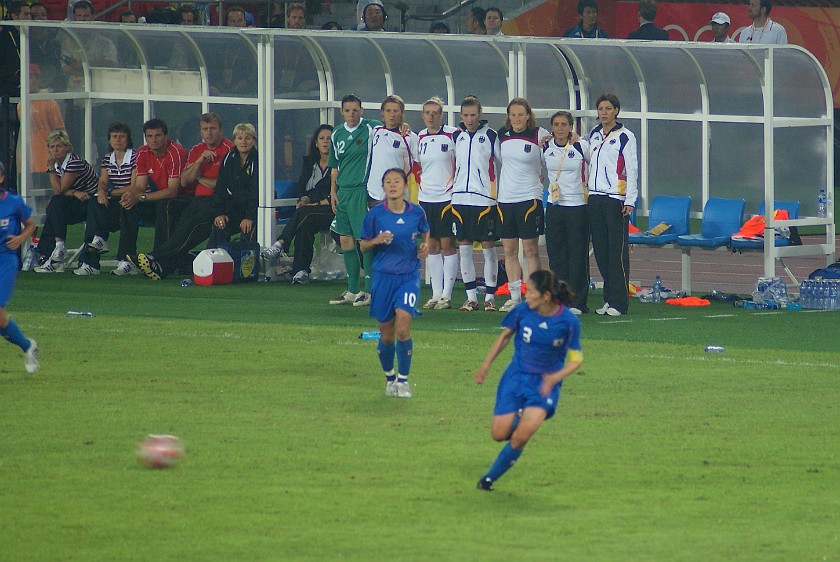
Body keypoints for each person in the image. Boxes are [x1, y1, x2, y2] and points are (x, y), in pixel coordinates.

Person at [474, 270, 582, 491]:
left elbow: (576, 359)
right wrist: (486, 365)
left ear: (545, 297)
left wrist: (556, 377)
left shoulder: (568, 321)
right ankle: (517, 418)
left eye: (530, 291)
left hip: (544, 387)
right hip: (515, 378)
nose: (526, 295)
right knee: (498, 434)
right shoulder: (522, 311)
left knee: (522, 437)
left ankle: (488, 480)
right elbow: (504, 336)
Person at [134, 114, 233, 280]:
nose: (209, 133)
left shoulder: (229, 150)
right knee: (173, 215)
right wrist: (200, 161)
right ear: (201, 132)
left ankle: (154, 257)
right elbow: (186, 181)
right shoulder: (197, 150)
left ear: (221, 131)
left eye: (212, 129)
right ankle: (160, 264)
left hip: (218, 202)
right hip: (198, 199)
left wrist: (200, 178)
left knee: (192, 226)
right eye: (205, 129)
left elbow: (221, 185)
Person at [359, 168, 430, 399]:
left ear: (405, 186)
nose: (393, 185)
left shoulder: (416, 212)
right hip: (382, 277)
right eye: (388, 181)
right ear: (383, 187)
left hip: (408, 277)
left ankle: (403, 381)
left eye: (397, 181)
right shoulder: (375, 215)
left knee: (403, 326)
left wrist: (425, 247)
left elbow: (426, 233)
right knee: (386, 334)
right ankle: (390, 378)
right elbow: (363, 245)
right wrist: (377, 240)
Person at [327, 94, 383, 306]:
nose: (351, 114)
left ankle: (369, 291)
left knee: (365, 242)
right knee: (345, 240)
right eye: (347, 110)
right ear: (341, 111)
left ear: (362, 110)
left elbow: (390, 127)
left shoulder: (371, 128)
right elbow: (334, 166)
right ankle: (352, 290)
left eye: (355, 110)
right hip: (344, 191)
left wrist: (404, 126)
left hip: (361, 191)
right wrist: (333, 191)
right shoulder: (337, 134)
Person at [262, 124, 335, 284]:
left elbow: (333, 193)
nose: (325, 142)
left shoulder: (339, 165)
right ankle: (301, 272)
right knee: (304, 224)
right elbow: (303, 188)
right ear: (316, 143)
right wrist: (303, 200)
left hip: (332, 209)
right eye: (321, 139)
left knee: (305, 214)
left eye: (329, 139)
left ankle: (281, 243)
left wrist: (312, 204)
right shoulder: (310, 163)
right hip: (310, 211)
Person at [496, 98, 550, 313]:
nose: (517, 118)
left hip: (529, 198)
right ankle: (514, 296)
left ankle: (532, 295)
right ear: (508, 116)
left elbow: (554, 157)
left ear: (529, 115)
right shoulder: (501, 135)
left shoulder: (540, 134)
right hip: (506, 200)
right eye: (513, 114)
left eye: (521, 114)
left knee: (530, 250)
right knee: (509, 251)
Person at [587, 93, 637, 317]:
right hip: (595, 197)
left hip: (615, 198)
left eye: (608, 109)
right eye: (601, 109)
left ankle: (619, 301)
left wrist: (630, 200)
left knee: (616, 252)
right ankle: (608, 299)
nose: (604, 113)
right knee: (600, 251)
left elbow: (632, 169)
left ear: (616, 110)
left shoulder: (626, 136)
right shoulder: (594, 134)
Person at [117, 118, 188, 275]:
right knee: (128, 206)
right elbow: (140, 186)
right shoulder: (142, 152)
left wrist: (141, 197)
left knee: (165, 205)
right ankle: (126, 259)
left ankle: (157, 259)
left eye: (158, 135)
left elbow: (173, 191)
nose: (153, 140)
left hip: (182, 200)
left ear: (166, 136)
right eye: (149, 136)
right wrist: (131, 195)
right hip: (158, 197)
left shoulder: (176, 152)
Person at [451, 95, 500, 312]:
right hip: (460, 199)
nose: (469, 119)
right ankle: (471, 297)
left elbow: (504, 162)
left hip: (484, 199)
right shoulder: (455, 136)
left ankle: (490, 297)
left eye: (473, 115)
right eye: (465, 115)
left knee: (489, 249)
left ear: (479, 114)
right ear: (461, 115)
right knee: (464, 249)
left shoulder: (490, 135)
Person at [73, 122, 137, 275]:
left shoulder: (135, 156)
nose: (118, 140)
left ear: (128, 139)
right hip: (115, 198)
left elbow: (134, 187)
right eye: (114, 137)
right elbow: (102, 181)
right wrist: (101, 191)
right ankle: (92, 261)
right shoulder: (108, 159)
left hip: (133, 199)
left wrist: (110, 191)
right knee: (94, 203)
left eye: (121, 136)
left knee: (118, 209)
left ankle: (125, 260)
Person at [543, 111, 590, 314]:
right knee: (556, 255)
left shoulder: (581, 146)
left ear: (571, 127)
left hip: (577, 206)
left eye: (564, 124)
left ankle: (578, 301)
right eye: (556, 124)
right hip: (555, 206)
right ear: (552, 127)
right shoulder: (545, 146)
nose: (560, 128)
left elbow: (595, 165)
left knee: (577, 254)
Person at [33, 129, 98, 273]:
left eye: (59, 146)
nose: (55, 150)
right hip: (76, 201)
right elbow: (62, 191)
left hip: (92, 204)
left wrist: (50, 169)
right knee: (54, 208)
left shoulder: (73, 162)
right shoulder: (59, 165)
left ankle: (53, 252)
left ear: (67, 147)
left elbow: (59, 190)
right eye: (52, 147)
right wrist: (74, 193)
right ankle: (53, 255)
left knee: (55, 204)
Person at [416, 97, 458, 311]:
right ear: (422, 115)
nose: (431, 116)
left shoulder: (452, 134)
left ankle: (447, 295)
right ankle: (435, 294)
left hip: (447, 198)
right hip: (426, 198)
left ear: (441, 115)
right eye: (427, 113)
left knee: (447, 245)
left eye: (435, 113)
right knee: (431, 246)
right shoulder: (419, 137)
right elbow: (416, 166)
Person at [0, 160, 39, 374]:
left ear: (1, 177)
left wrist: (21, 239)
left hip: (5, 259)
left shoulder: (13, 202)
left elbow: (31, 224)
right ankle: (28, 346)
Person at [207, 123, 258, 248]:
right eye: (240, 138)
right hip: (235, 209)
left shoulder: (258, 160)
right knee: (220, 225)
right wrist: (219, 213)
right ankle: (212, 261)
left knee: (248, 230)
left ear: (254, 140)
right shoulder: (229, 158)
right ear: (234, 140)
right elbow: (221, 188)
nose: (243, 142)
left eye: (248, 138)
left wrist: (249, 217)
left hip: (254, 211)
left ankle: (243, 265)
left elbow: (255, 191)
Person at [16, 64, 65, 194]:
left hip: (46, 159)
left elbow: (60, 131)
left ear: (38, 79)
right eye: (23, 78)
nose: (26, 81)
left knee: (47, 195)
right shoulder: (21, 103)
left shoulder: (49, 102)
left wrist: (58, 156)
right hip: (27, 160)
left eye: (30, 77)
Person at [366, 95, 418, 205]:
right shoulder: (375, 131)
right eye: (388, 110)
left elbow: (420, 164)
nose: (392, 114)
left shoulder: (410, 137)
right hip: (374, 194)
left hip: (397, 196)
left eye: (396, 111)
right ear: (382, 113)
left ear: (402, 114)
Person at [0, 1, 31, 98]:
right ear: (15, 16)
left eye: (30, 14)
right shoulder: (3, 36)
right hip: (7, 91)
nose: (29, 18)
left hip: (25, 87)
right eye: (26, 14)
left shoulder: (29, 35)